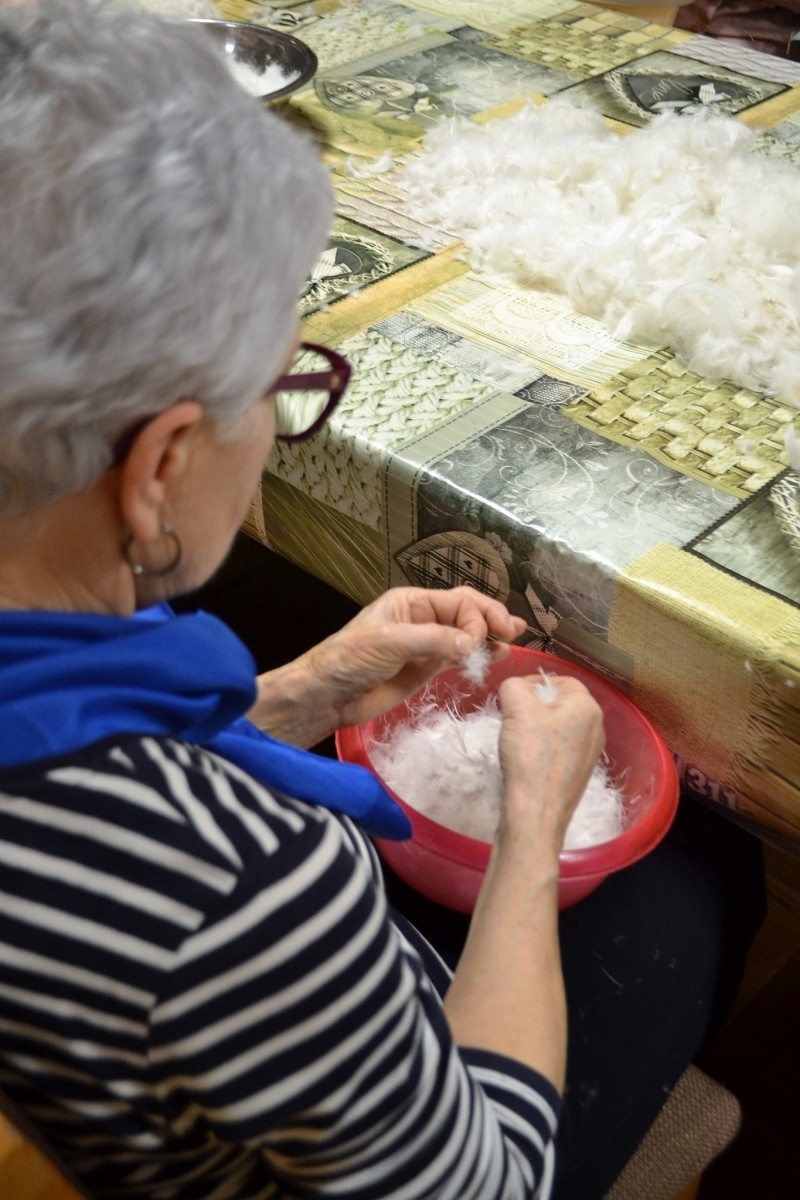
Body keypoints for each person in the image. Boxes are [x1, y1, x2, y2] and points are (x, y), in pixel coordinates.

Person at [0, 2, 765, 1199]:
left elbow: (111, 758)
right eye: (281, 382)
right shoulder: (242, 881)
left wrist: (310, 685)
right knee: (695, 882)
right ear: (158, 469)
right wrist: (527, 835)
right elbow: (478, 1180)